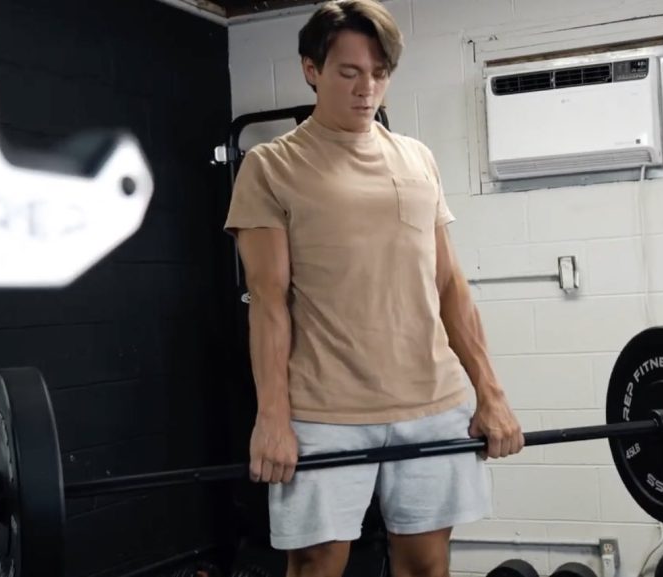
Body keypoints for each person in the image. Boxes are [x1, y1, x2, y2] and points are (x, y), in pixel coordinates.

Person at [224, 1, 524, 575]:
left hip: (433, 402)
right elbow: (267, 302)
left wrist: (490, 392)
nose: (367, 89)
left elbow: (450, 285)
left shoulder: (418, 159)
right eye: (349, 72)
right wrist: (273, 418)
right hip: (324, 410)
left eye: (380, 73)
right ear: (311, 69)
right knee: (316, 566)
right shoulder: (271, 166)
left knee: (426, 566)